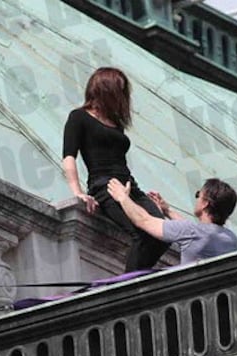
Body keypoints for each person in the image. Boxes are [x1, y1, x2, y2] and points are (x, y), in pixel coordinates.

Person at [62, 67, 169, 271]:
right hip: (106, 187)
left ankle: (135, 277)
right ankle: (130, 286)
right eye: (119, 91)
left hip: (130, 187)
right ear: (106, 89)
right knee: (141, 234)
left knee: (163, 233)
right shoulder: (79, 117)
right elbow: (69, 157)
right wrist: (78, 193)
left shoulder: (116, 124)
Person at [106, 178, 237, 265]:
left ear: (205, 204)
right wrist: (167, 211)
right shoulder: (231, 239)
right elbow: (193, 231)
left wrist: (122, 197)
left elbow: (144, 220)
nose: (196, 199)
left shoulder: (191, 232)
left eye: (198, 195)